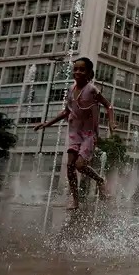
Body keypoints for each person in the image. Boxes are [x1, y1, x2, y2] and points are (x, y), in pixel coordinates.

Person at [33, 57, 114, 210]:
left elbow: (108, 105)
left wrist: (111, 122)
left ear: (89, 73)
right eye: (75, 69)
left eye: (82, 69)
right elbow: (66, 111)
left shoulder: (92, 90)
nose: (77, 72)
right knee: (70, 166)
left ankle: (100, 180)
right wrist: (47, 123)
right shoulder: (70, 90)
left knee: (79, 165)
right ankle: (75, 200)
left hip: (89, 134)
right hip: (74, 132)